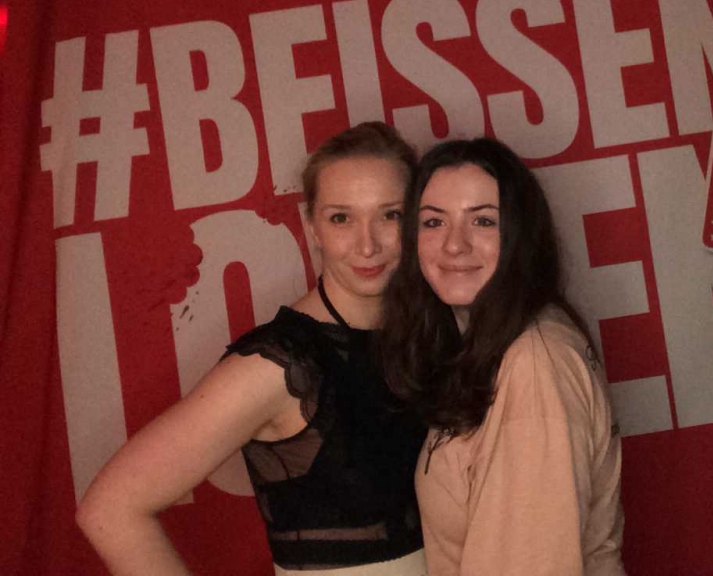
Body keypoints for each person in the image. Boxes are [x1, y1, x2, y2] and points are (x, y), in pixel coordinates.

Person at [76, 122, 428, 576]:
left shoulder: (430, 334)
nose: (367, 244)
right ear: (312, 227)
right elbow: (110, 509)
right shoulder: (278, 364)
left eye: (390, 215)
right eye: (341, 218)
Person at [378, 137, 626, 576]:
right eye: (433, 222)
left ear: (519, 237)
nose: (454, 245)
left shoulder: (533, 364)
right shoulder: (489, 346)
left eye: (483, 221)